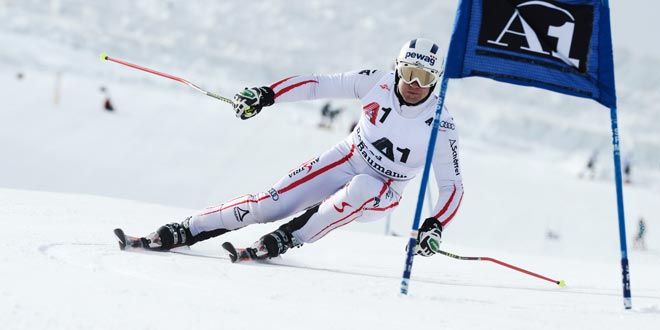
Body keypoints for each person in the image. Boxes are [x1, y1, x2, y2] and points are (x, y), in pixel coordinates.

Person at [132, 38, 464, 259]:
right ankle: (187, 229)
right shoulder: (374, 81)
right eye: (408, 72)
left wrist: (435, 224)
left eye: (423, 77)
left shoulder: (441, 123)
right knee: (267, 205)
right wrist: (267, 94)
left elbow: (451, 185)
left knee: (364, 187)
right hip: (348, 158)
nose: (413, 85)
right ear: (396, 67)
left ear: (436, 79)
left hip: (386, 190)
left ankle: (290, 237)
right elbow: (319, 83)